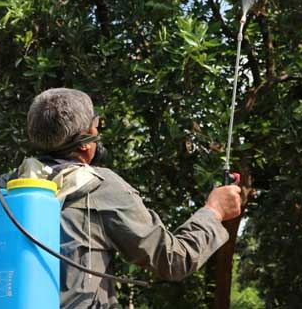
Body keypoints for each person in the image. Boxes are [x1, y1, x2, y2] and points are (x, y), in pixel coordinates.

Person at [19, 88, 242, 308]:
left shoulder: (3, 189)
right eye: (96, 126)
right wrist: (214, 211)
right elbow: (173, 260)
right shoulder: (99, 187)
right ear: (86, 143)